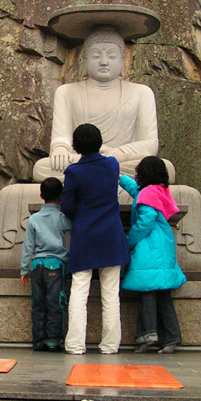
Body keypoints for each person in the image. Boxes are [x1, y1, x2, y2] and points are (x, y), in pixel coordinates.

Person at [32, 24, 158, 182]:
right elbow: (61, 137)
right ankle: (103, 170)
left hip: (121, 161)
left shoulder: (142, 93)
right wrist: (60, 148)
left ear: (122, 60)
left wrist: (113, 154)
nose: (104, 62)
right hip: (82, 160)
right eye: (96, 56)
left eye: (111, 56)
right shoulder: (66, 92)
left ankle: (98, 168)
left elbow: (150, 144)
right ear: (84, 59)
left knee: (162, 167)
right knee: (42, 167)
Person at [61, 123, 131, 355]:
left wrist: (81, 216)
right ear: (100, 142)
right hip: (111, 234)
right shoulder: (112, 165)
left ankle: (75, 345)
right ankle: (110, 345)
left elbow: (67, 206)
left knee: (79, 291)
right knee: (111, 293)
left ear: (75, 145)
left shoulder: (73, 172)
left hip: (85, 235)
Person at [118, 156, 186, 354]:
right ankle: (172, 338)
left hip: (149, 250)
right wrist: (120, 177)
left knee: (147, 293)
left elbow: (145, 221)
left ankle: (148, 336)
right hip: (162, 249)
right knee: (163, 295)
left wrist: (128, 241)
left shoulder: (148, 193)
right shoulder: (159, 190)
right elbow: (137, 192)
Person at [20, 177, 73, 352]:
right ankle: (53, 339)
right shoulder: (61, 218)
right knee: (55, 302)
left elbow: (28, 246)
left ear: (41, 195)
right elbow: (73, 228)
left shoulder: (34, 218)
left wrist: (24, 269)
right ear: (61, 196)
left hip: (36, 266)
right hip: (55, 265)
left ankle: (38, 340)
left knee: (38, 303)